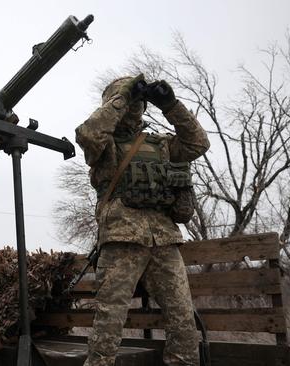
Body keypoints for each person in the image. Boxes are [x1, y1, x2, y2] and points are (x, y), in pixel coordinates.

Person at [75, 75, 210, 366]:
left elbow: (198, 144)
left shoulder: (160, 145)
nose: (135, 105)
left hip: (164, 240)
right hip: (122, 239)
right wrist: (123, 95)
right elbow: (87, 133)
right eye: (129, 100)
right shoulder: (104, 147)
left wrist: (170, 105)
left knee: (183, 318)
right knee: (109, 320)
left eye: (139, 101)